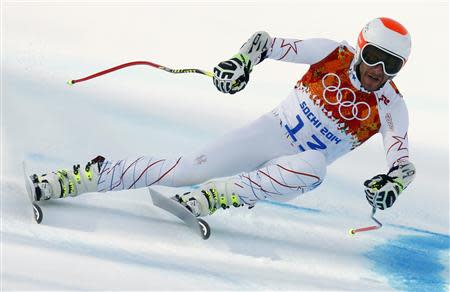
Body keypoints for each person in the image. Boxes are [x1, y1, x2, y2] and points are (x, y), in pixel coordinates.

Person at [29, 17, 416, 217]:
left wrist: (393, 184)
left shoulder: (390, 105)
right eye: (374, 57)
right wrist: (242, 62)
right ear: (360, 49)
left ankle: (217, 197)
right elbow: (266, 43)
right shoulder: (333, 53)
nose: (379, 70)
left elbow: (402, 164)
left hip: (297, 167)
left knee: (315, 166)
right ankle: (75, 178)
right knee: (185, 170)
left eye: (392, 64)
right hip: (270, 133)